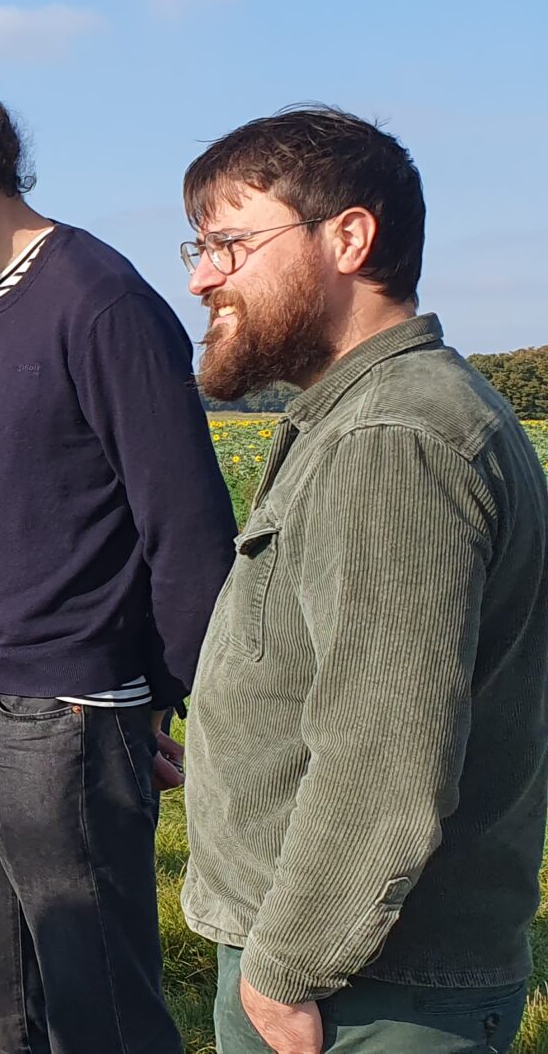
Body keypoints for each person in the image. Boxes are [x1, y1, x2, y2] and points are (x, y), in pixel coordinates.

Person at [0, 59, 236, 1051]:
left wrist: (156, 697)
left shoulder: (101, 302)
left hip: (62, 715)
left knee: (100, 1016)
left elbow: (186, 528)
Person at [177, 108, 548, 1054]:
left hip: (363, 989)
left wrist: (285, 968)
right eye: (199, 247)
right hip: (349, 970)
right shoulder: (365, 417)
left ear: (349, 237)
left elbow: (384, 753)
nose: (201, 277)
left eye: (229, 243)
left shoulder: (394, 437)